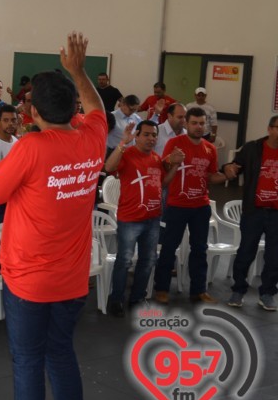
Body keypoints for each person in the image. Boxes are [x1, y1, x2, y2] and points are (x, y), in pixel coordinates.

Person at [0, 32, 107, 400]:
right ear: (73, 109)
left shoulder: (31, 147)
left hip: (29, 280)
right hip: (72, 280)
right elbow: (97, 107)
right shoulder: (93, 137)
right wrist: (78, 71)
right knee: (61, 352)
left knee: (27, 359)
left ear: (33, 111)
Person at [103, 120, 182, 317]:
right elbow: (109, 166)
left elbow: (162, 183)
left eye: (154, 135)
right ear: (136, 136)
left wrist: (175, 166)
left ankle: (137, 298)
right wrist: (123, 143)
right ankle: (116, 299)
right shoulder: (127, 154)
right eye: (146, 134)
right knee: (125, 261)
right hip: (130, 219)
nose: (151, 138)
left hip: (152, 219)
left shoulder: (156, 158)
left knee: (147, 261)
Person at [152, 106, 227, 304]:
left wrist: (227, 174)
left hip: (201, 206)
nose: (198, 127)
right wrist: (170, 160)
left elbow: (212, 176)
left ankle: (198, 291)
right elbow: (162, 169)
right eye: (194, 123)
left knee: (200, 249)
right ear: (186, 123)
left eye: (202, 123)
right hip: (177, 204)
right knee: (169, 248)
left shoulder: (209, 148)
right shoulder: (175, 143)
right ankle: (161, 288)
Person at [223, 116, 278, 309]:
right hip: (254, 210)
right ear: (270, 129)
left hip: (276, 213)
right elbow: (234, 167)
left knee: (274, 256)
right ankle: (238, 290)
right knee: (246, 251)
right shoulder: (253, 148)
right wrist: (228, 169)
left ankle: (268, 293)